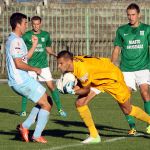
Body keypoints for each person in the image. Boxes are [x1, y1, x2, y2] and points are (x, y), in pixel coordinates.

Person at [57, 50, 150, 144]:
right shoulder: (74, 64)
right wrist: (71, 88)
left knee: (128, 110)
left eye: (61, 63)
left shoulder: (82, 69)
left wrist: (72, 91)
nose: (59, 66)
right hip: (98, 78)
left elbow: (86, 90)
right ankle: (94, 136)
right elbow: (83, 80)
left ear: (69, 61)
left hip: (112, 78)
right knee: (80, 103)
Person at [5, 12, 52, 143]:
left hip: (21, 80)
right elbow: (19, 64)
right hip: (21, 80)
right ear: (18, 24)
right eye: (25, 23)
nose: (27, 25)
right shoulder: (15, 41)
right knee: (47, 105)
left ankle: (24, 127)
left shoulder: (16, 39)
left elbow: (24, 58)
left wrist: (35, 45)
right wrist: (34, 69)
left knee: (46, 100)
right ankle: (35, 135)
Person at [111, 3, 150, 135]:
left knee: (145, 93)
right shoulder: (122, 30)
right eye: (129, 15)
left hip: (143, 67)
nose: (131, 17)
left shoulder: (147, 29)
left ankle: (149, 123)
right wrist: (112, 65)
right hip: (126, 69)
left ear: (139, 15)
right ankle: (132, 127)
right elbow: (117, 49)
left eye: (133, 14)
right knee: (124, 98)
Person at [20, 16, 66, 117]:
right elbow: (21, 48)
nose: (36, 26)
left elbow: (48, 49)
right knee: (27, 88)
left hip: (43, 66)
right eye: (34, 24)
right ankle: (23, 111)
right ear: (31, 24)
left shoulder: (46, 35)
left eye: (37, 24)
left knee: (51, 87)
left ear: (41, 24)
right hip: (31, 66)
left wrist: (55, 55)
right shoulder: (27, 36)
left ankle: (60, 109)